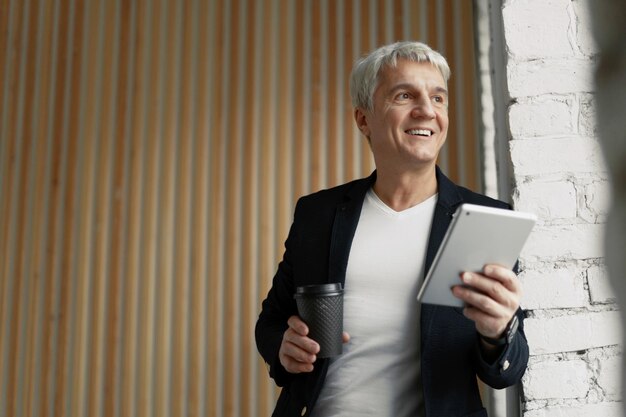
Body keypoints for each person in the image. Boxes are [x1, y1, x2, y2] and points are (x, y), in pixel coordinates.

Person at [255, 41, 529, 417]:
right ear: (364, 119)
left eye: (438, 98)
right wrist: (283, 348)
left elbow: (506, 371)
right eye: (405, 95)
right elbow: (271, 321)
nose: (427, 111)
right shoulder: (318, 214)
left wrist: (499, 331)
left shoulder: (485, 220)